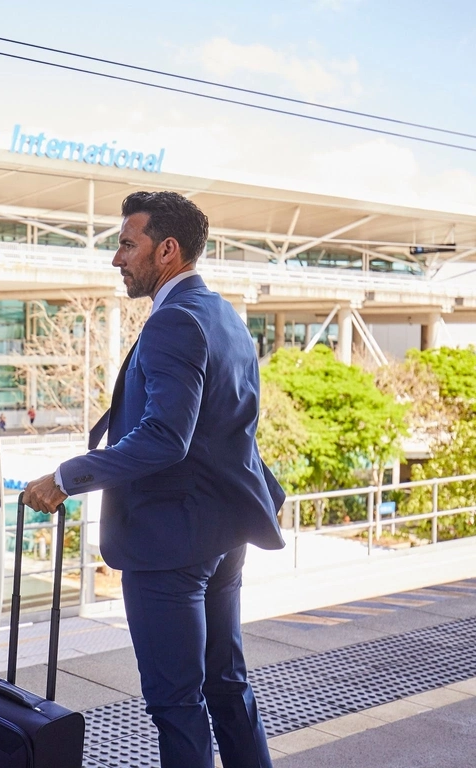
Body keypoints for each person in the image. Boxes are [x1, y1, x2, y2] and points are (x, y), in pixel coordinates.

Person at [23, 191, 285, 768]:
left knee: (176, 701)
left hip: (170, 542)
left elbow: (167, 438)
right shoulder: (224, 316)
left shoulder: (174, 322)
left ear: (166, 250)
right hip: (222, 533)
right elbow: (227, 427)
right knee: (226, 685)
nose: (117, 259)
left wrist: (66, 477)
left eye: (126, 244)